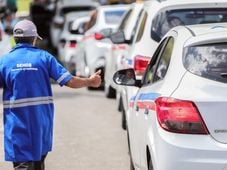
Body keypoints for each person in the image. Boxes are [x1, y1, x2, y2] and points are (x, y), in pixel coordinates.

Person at [0, 19, 101, 170]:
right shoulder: (45, 58)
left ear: (15, 39)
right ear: (34, 39)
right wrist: (90, 81)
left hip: (17, 128)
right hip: (41, 126)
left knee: (22, 166)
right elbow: (70, 81)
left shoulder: (5, 62)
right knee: (38, 165)